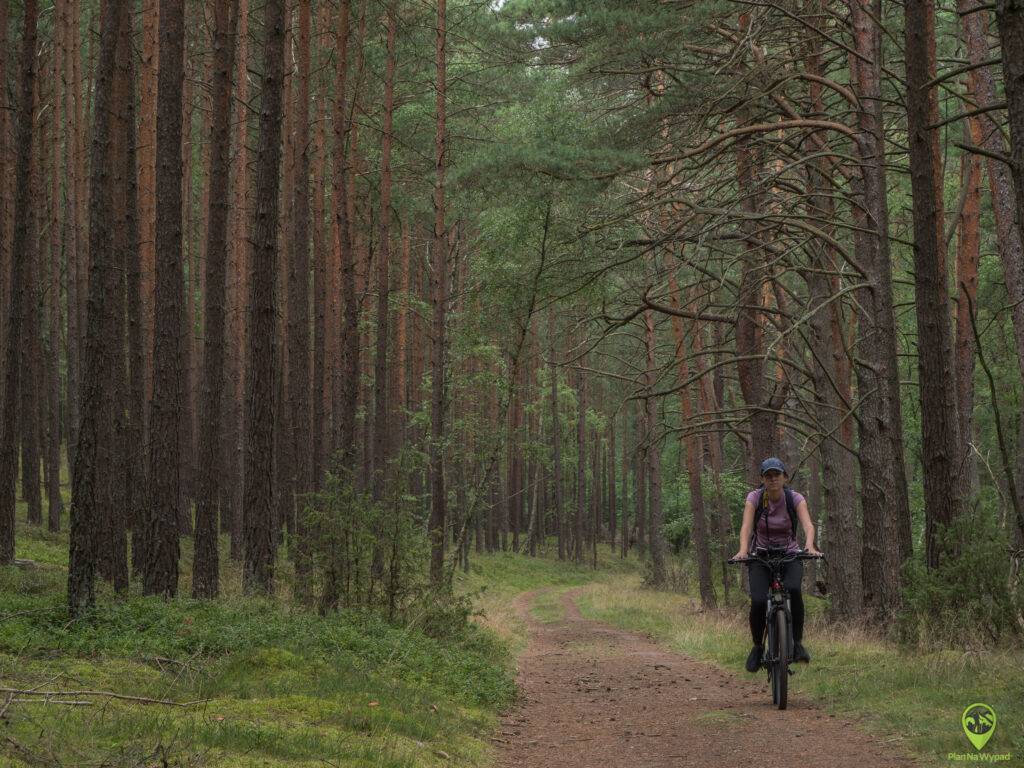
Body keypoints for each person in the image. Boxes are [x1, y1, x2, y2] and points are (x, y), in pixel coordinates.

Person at [731, 457, 822, 673]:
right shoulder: (754, 498)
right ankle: (757, 647)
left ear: (785, 478)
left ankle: (797, 644)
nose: (773, 480)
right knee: (760, 600)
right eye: (768, 476)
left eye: (777, 475)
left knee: (793, 589)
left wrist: (809, 545)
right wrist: (743, 551)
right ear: (762, 479)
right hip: (761, 556)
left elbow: (808, 525)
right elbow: (746, 527)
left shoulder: (795, 498)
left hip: (789, 554)